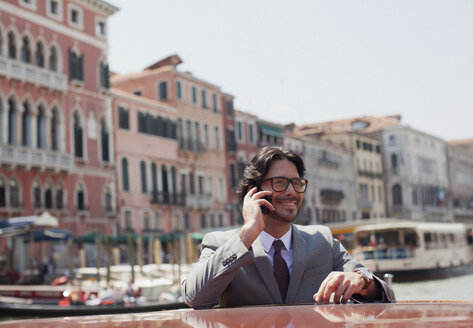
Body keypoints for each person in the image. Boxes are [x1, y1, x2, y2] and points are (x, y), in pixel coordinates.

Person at [182, 146, 395, 309]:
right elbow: (195, 297)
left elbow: (386, 294)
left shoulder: (323, 240)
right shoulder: (220, 243)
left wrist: (361, 280)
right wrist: (250, 230)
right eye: (280, 182)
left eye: (296, 183)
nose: (292, 191)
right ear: (253, 191)